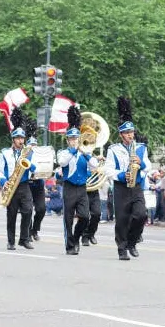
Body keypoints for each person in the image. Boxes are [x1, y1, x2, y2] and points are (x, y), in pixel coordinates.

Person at [104, 97, 152, 260]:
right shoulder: (113, 149)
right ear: (121, 134)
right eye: (127, 133)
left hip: (136, 186)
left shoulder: (141, 148)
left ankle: (132, 242)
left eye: (132, 132)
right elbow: (108, 170)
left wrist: (142, 163)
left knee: (141, 215)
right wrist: (121, 175)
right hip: (121, 188)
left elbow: (149, 166)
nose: (130, 135)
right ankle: (122, 248)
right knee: (122, 219)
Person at [0, 109, 38, 251]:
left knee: (28, 211)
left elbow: (35, 169)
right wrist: (3, 182)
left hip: (24, 185)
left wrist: (29, 162)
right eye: (18, 138)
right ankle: (11, 241)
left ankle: (24, 239)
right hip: (11, 185)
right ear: (13, 139)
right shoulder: (5, 153)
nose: (21, 141)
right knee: (12, 215)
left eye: (22, 138)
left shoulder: (28, 152)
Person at [57, 106, 94, 255]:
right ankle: (69, 246)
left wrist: (86, 154)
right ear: (67, 140)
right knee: (68, 219)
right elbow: (62, 162)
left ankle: (76, 237)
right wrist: (73, 150)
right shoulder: (64, 152)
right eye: (71, 139)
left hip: (82, 188)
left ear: (80, 139)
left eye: (76, 139)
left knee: (85, 217)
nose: (74, 141)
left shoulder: (86, 152)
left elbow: (95, 166)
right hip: (69, 188)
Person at [27, 134, 47, 242]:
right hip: (28, 184)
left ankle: (35, 229)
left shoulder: (41, 156)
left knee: (41, 209)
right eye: (31, 145)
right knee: (28, 209)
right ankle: (28, 232)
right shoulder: (24, 156)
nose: (33, 147)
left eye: (35, 145)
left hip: (39, 184)